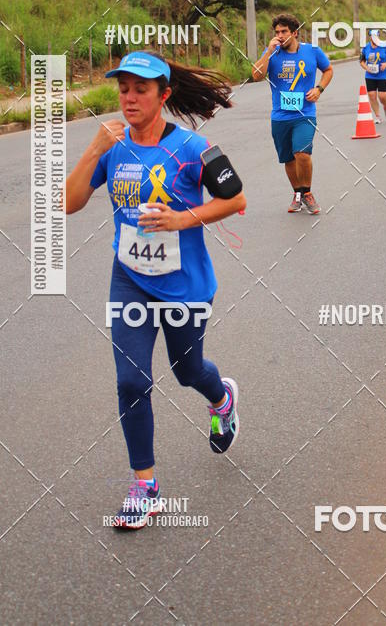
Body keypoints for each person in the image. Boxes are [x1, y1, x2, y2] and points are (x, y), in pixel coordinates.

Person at [64, 51, 247, 528]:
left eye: (140, 90)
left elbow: (237, 198)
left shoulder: (193, 147)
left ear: (163, 95)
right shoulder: (112, 146)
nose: (129, 98)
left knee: (187, 372)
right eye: (123, 88)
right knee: (130, 380)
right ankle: (145, 485)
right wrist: (91, 149)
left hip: (185, 285)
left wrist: (183, 218)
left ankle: (220, 398)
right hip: (129, 279)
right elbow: (68, 204)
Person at [252, 12, 333, 214]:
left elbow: (329, 70)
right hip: (279, 116)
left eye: (284, 31)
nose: (280, 35)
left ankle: (307, 193)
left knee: (302, 153)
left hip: (305, 113)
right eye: (277, 32)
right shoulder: (272, 53)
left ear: (295, 33)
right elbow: (256, 76)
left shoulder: (312, 51)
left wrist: (319, 89)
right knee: (288, 159)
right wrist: (268, 52)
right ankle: (297, 194)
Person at [360, 28, 386, 122]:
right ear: (370, 37)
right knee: (372, 95)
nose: (374, 38)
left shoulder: (384, 46)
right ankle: (377, 116)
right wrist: (366, 68)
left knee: (382, 96)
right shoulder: (366, 47)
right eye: (372, 37)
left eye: (376, 36)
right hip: (370, 75)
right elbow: (361, 61)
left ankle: (385, 106)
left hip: (383, 75)